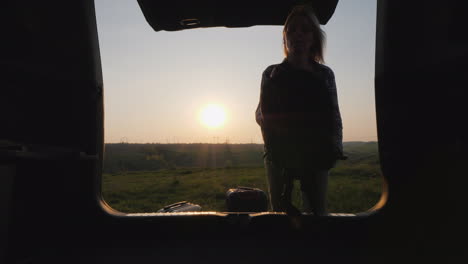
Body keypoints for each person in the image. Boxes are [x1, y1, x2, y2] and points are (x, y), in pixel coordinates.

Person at [255, 4, 343, 216]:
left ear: (314, 37)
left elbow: (334, 116)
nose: (298, 35)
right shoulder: (271, 74)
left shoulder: (325, 75)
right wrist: (275, 149)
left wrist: (333, 151)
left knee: (317, 213)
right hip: (278, 153)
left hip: (317, 153)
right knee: (278, 214)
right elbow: (261, 115)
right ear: (284, 38)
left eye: (305, 30)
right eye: (291, 30)